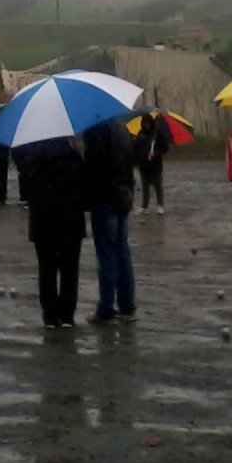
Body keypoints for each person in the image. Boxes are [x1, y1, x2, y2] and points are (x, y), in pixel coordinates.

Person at [14, 136, 86, 328]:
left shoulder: (32, 157)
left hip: (43, 221)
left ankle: (50, 316)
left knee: (46, 269)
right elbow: (84, 186)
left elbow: (26, 188)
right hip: (71, 220)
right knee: (70, 269)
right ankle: (67, 315)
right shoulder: (74, 155)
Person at [81, 117, 137, 325]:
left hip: (104, 198)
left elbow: (94, 167)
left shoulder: (96, 130)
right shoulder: (122, 127)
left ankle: (106, 308)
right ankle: (127, 306)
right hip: (122, 196)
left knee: (107, 254)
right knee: (122, 252)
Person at [133, 114, 170, 215]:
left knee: (157, 185)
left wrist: (156, 153)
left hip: (155, 165)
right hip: (143, 165)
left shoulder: (157, 134)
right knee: (145, 187)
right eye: (144, 123)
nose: (146, 125)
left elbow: (165, 147)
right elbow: (136, 148)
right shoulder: (140, 134)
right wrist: (136, 160)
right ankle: (144, 206)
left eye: (148, 123)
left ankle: (160, 205)